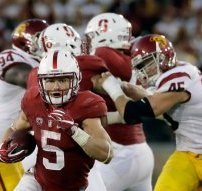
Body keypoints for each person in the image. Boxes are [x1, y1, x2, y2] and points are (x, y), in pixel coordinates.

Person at [94, 34, 202, 191]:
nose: (143, 70)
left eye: (147, 63)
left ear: (163, 57)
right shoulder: (179, 73)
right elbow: (150, 99)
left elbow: (134, 113)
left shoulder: (179, 78)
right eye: (139, 66)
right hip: (187, 153)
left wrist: (112, 87)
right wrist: (123, 86)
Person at [0, 49, 113, 191]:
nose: (56, 87)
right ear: (40, 81)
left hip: (74, 184)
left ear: (76, 80)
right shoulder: (33, 100)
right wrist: (4, 147)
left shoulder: (86, 105)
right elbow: (14, 128)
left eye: (63, 80)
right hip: (37, 180)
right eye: (50, 80)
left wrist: (74, 131)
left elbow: (106, 154)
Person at [28, 23, 109, 191]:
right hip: (50, 152)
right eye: (51, 81)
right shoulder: (91, 63)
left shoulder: (37, 73)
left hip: (72, 151)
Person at [84, 12, 154, 191]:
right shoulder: (132, 57)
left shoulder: (104, 54)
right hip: (140, 150)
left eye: (92, 37)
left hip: (117, 152)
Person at [0, 18, 48, 191]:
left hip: (19, 140)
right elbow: (26, 78)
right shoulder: (12, 57)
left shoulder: (40, 62)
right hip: (4, 145)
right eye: (43, 38)